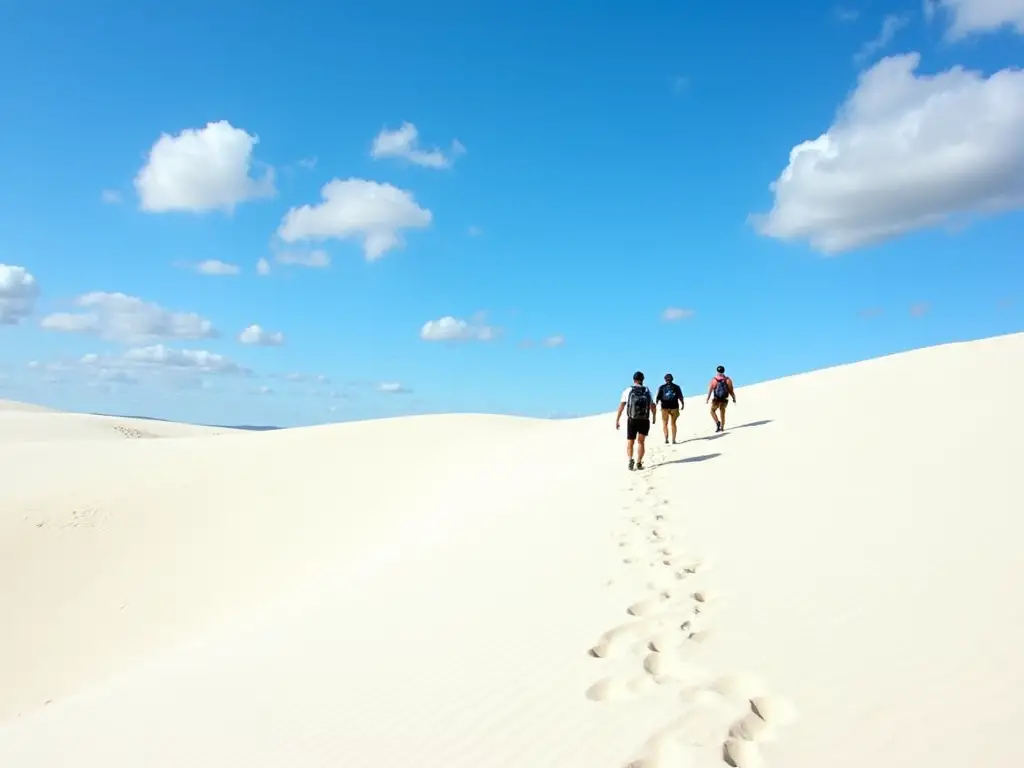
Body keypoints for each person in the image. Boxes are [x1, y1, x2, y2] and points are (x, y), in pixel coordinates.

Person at [615, 370, 657, 471]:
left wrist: (617, 419)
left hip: (632, 419)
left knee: (630, 442)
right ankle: (638, 462)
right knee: (641, 442)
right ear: (643, 379)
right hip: (644, 420)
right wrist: (654, 416)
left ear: (634, 380)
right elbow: (652, 405)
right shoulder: (647, 391)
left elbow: (622, 405)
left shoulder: (628, 390)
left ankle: (630, 460)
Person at [705, 365, 736, 432]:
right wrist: (734, 398)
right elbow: (731, 390)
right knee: (722, 412)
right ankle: (722, 427)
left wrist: (707, 399)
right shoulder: (728, 380)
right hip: (724, 399)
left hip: (716, 399)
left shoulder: (714, 380)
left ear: (717, 371)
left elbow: (710, 390)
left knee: (712, 411)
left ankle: (717, 422)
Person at [655, 373, 684, 444]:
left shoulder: (661, 387)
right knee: (673, 423)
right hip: (674, 406)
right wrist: (682, 404)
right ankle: (673, 440)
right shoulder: (677, 387)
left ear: (665, 380)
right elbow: (680, 397)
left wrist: (656, 404)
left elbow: (657, 398)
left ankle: (666, 438)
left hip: (664, 407)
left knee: (665, 423)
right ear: (672, 379)